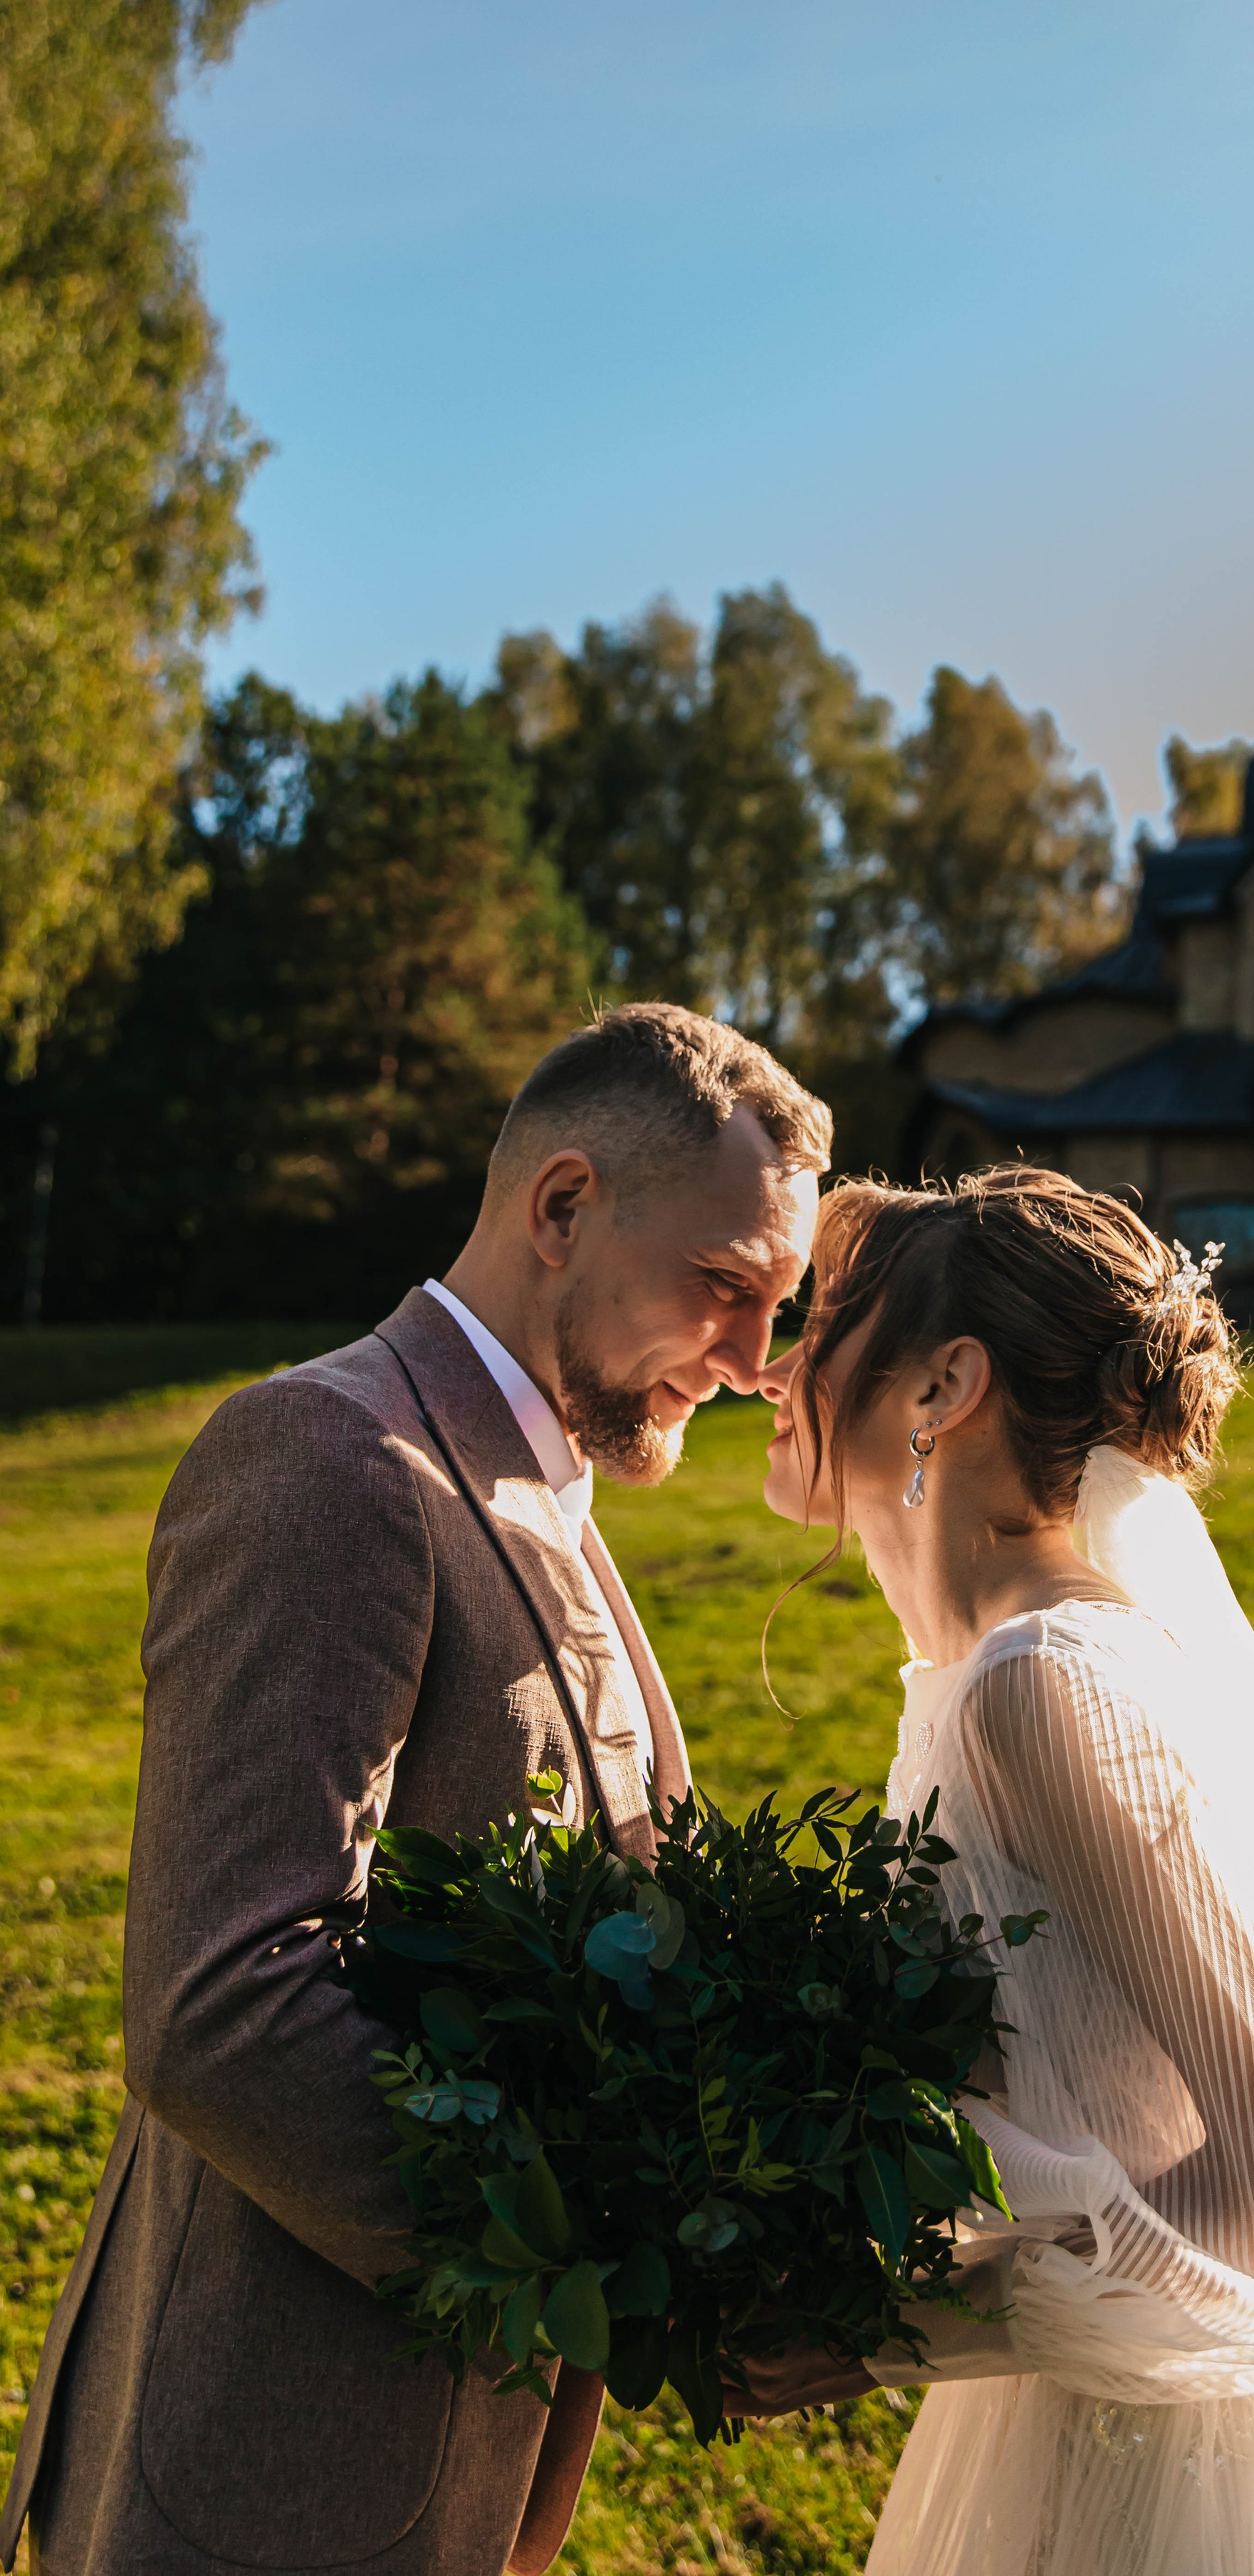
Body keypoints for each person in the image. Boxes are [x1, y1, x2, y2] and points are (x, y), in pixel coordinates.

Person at [1, 1004, 827, 2576]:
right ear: (564, 1204)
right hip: (268, 2475)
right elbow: (224, 2004)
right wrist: (592, 2255)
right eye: (727, 1290)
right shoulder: (329, 1459)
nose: (744, 1365)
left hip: (436, 2473)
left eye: (772, 1309)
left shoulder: (540, 1488)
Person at [738, 1165, 1254, 2576]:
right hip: (1116, 2381)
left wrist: (894, 2332)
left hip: (1198, 2450)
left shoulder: (1038, 1682)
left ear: (940, 1387)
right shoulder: (985, 1666)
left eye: (823, 1327)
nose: (774, 1368)